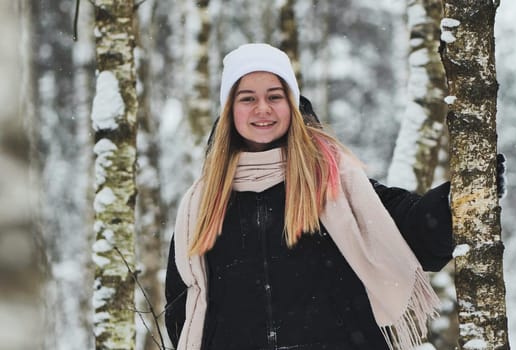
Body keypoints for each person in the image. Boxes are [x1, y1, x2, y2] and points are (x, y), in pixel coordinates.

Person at [164, 43, 498, 350]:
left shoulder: (336, 182)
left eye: (275, 96)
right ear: (230, 110)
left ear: (292, 104)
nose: (262, 109)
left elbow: (415, 229)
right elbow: (181, 307)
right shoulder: (202, 205)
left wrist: (464, 192)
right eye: (247, 98)